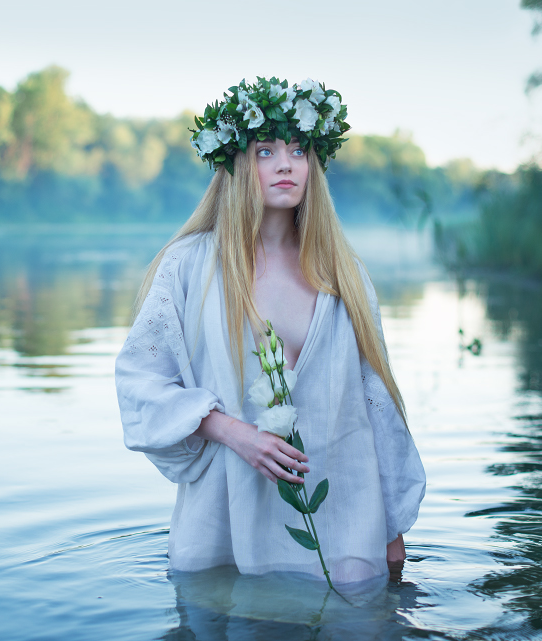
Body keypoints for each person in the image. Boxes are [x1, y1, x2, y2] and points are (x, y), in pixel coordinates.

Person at [115, 77, 425, 585]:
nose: (285, 163)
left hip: (345, 517)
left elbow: (377, 403)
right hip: (227, 519)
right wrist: (235, 433)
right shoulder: (191, 266)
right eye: (265, 151)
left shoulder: (344, 273)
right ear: (237, 165)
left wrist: (392, 527)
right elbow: (140, 383)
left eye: (298, 149)